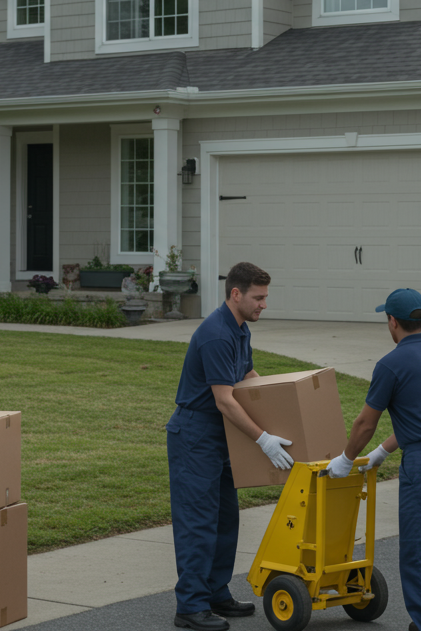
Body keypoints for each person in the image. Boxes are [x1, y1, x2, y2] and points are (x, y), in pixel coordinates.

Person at [327, 289, 421, 631]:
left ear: (393, 321)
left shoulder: (391, 364)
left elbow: (365, 422)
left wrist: (347, 459)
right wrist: (382, 451)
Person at [168, 262, 293, 631]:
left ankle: (215, 592)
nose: (264, 305)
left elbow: (247, 376)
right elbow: (225, 399)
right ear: (235, 294)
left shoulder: (238, 330)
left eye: (265, 297)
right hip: (195, 435)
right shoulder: (217, 334)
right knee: (198, 522)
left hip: (220, 436)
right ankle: (190, 607)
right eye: (258, 297)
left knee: (225, 518)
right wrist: (263, 439)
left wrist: (283, 398)